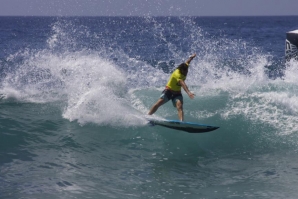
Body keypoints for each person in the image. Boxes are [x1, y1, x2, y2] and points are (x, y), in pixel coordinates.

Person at [148, 53, 196, 121]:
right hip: (169, 91)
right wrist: (189, 93)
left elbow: (187, 62)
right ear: (181, 70)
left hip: (177, 93)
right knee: (159, 103)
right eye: (185, 71)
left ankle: (181, 122)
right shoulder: (177, 74)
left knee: (180, 106)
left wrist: (192, 57)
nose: (186, 73)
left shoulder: (185, 67)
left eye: (187, 71)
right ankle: (148, 116)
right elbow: (182, 83)